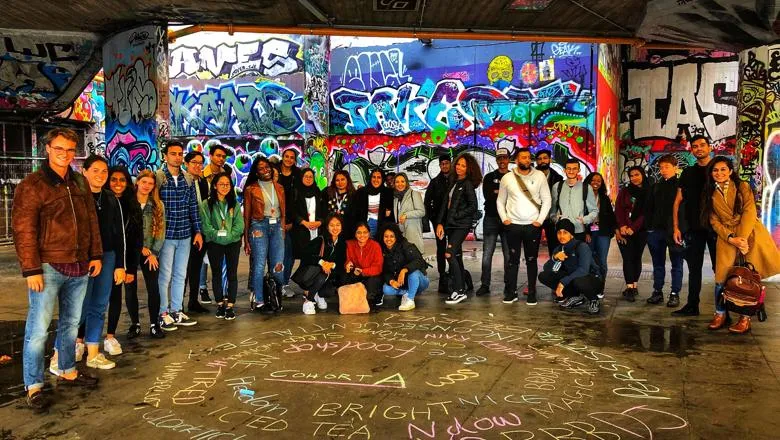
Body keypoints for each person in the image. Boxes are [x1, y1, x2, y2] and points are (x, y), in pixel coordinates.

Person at [13, 128, 102, 410]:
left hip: (79, 266)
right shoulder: (32, 185)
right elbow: (24, 230)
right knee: (38, 329)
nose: (65, 154)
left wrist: (95, 254)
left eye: (70, 149)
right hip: (48, 266)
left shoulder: (79, 181)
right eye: (59, 148)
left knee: (70, 325)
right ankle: (34, 384)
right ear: (48, 149)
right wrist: (31, 269)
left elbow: (90, 221)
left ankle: (67, 369)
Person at [57, 155, 125, 372]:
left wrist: (120, 265)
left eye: (104, 171)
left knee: (98, 306)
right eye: (95, 170)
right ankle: (59, 355)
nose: (100, 175)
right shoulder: (74, 197)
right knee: (76, 309)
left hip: (108, 256)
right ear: (84, 171)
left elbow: (119, 234)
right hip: (81, 260)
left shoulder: (111, 199)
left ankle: (93, 353)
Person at [702, 156, 780, 333]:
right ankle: (720, 313)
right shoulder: (709, 191)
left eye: (723, 169)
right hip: (727, 237)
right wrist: (731, 238)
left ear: (730, 171)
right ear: (711, 173)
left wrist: (742, 239)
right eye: (715, 170)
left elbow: (749, 211)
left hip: (749, 233)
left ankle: (745, 319)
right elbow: (713, 220)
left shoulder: (743, 186)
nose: (719, 173)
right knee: (721, 279)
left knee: (748, 279)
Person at [156, 141, 203, 329]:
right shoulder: (159, 178)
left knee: (180, 274)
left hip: (185, 234)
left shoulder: (188, 179)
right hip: (166, 235)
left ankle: (176, 310)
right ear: (165, 156)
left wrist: (198, 231)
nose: (177, 156)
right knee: (165, 275)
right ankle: (162, 312)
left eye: (179, 153)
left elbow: (193, 207)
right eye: (173, 153)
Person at [497, 147, 551, 305]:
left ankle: (532, 293)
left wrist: (539, 221)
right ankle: (511, 292)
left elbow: (547, 200)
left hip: (532, 226)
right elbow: (500, 201)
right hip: (513, 225)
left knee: (531, 260)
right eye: (523, 157)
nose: (527, 160)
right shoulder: (507, 178)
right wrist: (505, 219)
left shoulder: (539, 176)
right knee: (512, 261)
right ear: (516, 160)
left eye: (528, 157)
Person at [671, 135, 716, 316]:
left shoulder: (719, 169)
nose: (699, 149)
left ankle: (723, 310)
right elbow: (677, 201)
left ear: (709, 147)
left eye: (702, 145)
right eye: (695, 146)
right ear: (692, 150)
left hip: (716, 229)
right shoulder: (688, 173)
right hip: (694, 229)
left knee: (719, 270)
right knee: (694, 269)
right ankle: (692, 305)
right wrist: (676, 227)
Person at [104, 166, 142, 356]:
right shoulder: (100, 202)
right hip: (101, 258)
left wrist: (131, 269)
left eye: (122, 180)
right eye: (113, 180)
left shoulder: (132, 206)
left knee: (116, 298)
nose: (118, 184)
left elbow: (137, 240)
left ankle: (110, 336)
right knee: (92, 301)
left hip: (123, 261)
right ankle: (80, 340)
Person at [436, 152, 481, 304]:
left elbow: (473, 206)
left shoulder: (467, 184)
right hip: (450, 225)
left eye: (463, 165)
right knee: (456, 256)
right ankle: (461, 287)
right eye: (458, 164)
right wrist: (440, 223)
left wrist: (456, 215)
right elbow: (444, 204)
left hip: (461, 225)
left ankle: (459, 290)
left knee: (449, 254)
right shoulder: (453, 181)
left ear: (469, 169)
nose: (459, 167)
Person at [126, 170, 166, 338]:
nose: (147, 186)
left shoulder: (157, 204)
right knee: (130, 288)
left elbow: (161, 230)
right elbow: (125, 229)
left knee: (153, 287)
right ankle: (135, 324)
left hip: (151, 251)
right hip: (130, 251)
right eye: (144, 182)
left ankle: (154, 324)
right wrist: (139, 247)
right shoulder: (128, 202)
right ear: (137, 183)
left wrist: (154, 253)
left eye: (150, 183)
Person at [243, 156, 286, 311]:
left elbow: (283, 211)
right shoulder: (251, 189)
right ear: (256, 171)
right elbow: (246, 215)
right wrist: (246, 240)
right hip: (258, 226)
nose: (265, 170)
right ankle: (259, 299)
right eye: (261, 168)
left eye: (267, 167)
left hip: (277, 226)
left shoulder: (279, 187)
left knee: (278, 265)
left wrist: (282, 230)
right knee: (259, 264)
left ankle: (276, 295)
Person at [200, 173, 244, 321]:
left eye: (227, 184)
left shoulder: (234, 203)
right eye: (221, 184)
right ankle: (220, 304)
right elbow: (206, 227)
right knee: (217, 273)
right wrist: (219, 237)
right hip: (214, 244)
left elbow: (239, 226)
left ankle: (230, 306)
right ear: (214, 186)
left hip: (233, 243)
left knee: (232, 274)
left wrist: (229, 237)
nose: (225, 187)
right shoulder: (207, 204)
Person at [538, 219, 604, 314]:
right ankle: (575, 296)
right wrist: (555, 258)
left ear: (571, 234)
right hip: (573, 279)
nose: (561, 236)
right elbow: (547, 269)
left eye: (565, 232)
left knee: (579, 280)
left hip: (592, 280)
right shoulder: (558, 249)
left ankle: (593, 299)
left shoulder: (582, 246)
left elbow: (583, 270)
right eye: (559, 233)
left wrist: (562, 283)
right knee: (543, 276)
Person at [644, 154, 683, 307]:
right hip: (656, 232)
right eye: (661, 167)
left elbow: (683, 211)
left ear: (675, 168)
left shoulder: (681, 187)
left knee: (677, 263)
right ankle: (657, 291)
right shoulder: (656, 186)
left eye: (667, 167)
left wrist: (680, 229)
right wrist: (650, 229)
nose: (663, 170)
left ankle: (675, 293)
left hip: (675, 231)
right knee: (657, 264)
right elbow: (648, 209)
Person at [477, 147, 511, 297]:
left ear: (509, 160)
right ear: (496, 161)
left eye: (504, 158)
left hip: (509, 219)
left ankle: (509, 285)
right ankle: (485, 284)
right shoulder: (489, 177)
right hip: (491, 218)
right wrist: (503, 193)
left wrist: (498, 192)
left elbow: (515, 197)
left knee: (508, 254)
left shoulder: (513, 177)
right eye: (499, 159)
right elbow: (489, 196)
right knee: (487, 254)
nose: (502, 161)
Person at [300, 214, 347, 314]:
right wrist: (322, 263)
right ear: (327, 227)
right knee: (322, 276)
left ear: (342, 226)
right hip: (313, 274)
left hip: (329, 275)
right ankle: (308, 300)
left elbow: (341, 261)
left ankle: (318, 294)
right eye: (332, 225)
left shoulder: (342, 243)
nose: (335, 228)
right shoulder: (320, 240)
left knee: (328, 292)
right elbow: (305, 255)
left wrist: (332, 265)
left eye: (338, 225)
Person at [615, 166, 649, 302]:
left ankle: (634, 285)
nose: (634, 178)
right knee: (627, 258)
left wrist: (634, 228)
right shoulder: (625, 191)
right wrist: (622, 226)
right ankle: (629, 287)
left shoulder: (649, 191)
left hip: (641, 231)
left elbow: (646, 213)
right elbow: (618, 209)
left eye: (637, 175)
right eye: (632, 175)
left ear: (642, 175)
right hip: (624, 231)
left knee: (636, 258)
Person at [183, 150, 210, 314]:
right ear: (186, 164)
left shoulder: (203, 182)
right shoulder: (183, 181)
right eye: (194, 162)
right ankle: (178, 304)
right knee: (182, 269)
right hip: (185, 230)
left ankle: (193, 300)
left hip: (201, 230)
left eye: (200, 163)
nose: (198, 166)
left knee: (195, 267)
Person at [379, 223, 430, 311]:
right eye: (386, 236)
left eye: (392, 236)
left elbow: (419, 261)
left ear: (396, 237)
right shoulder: (382, 250)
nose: (388, 239)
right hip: (402, 284)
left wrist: (404, 270)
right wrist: (391, 281)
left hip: (419, 280)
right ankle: (408, 293)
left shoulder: (406, 246)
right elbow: (385, 271)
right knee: (386, 289)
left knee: (413, 273)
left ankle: (410, 300)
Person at [550, 159, 598, 242]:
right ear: (564, 170)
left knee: (578, 254)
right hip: (561, 231)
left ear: (579, 170)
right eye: (568, 168)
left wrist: (584, 219)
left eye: (574, 168)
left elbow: (594, 210)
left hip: (579, 230)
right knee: (562, 254)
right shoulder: (557, 186)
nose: (571, 171)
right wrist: (555, 218)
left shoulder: (586, 188)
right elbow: (552, 209)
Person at [424, 154, 452, 293]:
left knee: (453, 248)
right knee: (441, 248)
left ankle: (454, 274)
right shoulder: (435, 182)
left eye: (447, 163)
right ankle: (442, 276)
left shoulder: (455, 180)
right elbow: (427, 202)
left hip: (453, 221)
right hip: (439, 222)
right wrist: (433, 219)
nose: (445, 166)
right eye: (443, 164)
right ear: (440, 166)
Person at [344, 222, 384, 311]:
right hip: (356, 274)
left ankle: (377, 296)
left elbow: (378, 267)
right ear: (355, 234)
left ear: (369, 233)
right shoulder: (349, 244)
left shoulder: (375, 245)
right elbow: (347, 260)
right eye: (359, 232)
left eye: (365, 232)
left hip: (371, 276)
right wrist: (348, 265)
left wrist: (363, 271)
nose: (362, 235)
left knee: (371, 290)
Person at [277, 149, 300, 296]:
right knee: (276, 255)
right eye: (287, 156)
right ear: (282, 157)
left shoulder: (297, 175)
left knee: (289, 255)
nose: (289, 159)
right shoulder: (274, 172)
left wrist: (292, 222)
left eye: (292, 157)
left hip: (292, 222)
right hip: (275, 221)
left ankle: (283, 284)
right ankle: (276, 284)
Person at [583, 172, 617, 274]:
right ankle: (590, 284)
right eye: (593, 180)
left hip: (603, 232)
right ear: (588, 181)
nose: (595, 182)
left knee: (602, 260)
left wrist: (613, 231)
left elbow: (611, 215)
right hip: (589, 232)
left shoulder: (604, 198)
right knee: (589, 259)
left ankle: (601, 285)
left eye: (598, 181)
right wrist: (585, 232)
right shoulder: (582, 197)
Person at [291, 168, 326, 260]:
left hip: (317, 230)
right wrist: (304, 222)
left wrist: (320, 222)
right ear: (301, 177)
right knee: (304, 258)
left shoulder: (318, 192)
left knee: (316, 257)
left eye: (311, 177)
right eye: (306, 176)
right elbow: (292, 211)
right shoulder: (295, 191)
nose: (308, 179)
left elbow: (324, 210)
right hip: (302, 231)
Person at [535, 149, 563, 255]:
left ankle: (554, 271)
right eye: (540, 159)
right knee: (532, 248)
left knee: (554, 247)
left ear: (550, 160)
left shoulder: (558, 178)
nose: (542, 161)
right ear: (536, 161)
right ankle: (532, 271)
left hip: (551, 217)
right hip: (535, 216)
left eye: (545, 158)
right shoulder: (530, 176)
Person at [355, 168, 393, 237]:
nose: (376, 180)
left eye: (379, 177)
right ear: (370, 178)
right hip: (364, 226)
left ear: (382, 179)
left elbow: (390, 211)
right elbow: (356, 212)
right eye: (374, 177)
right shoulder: (361, 192)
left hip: (382, 227)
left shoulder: (388, 193)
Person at [393, 173, 425, 254]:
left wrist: (406, 215)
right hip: (401, 233)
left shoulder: (414, 194)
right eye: (397, 182)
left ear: (406, 182)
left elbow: (422, 212)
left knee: (414, 256)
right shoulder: (395, 198)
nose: (400, 184)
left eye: (402, 181)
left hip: (412, 231)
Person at [323, 170, 357, 237]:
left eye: (342, 179)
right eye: (337, 180)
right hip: (330, 231)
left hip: (347, 232)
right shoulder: (327, 192)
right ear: (334, 182)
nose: (340, 182)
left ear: (348, 180)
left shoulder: (354, 195)